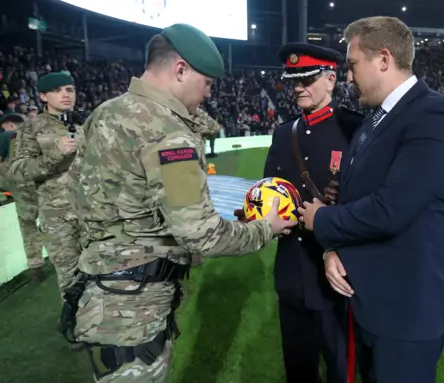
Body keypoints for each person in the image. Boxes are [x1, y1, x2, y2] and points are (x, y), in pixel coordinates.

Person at [61, 23, 296, 382]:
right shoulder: (168, 132)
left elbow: (75, 197)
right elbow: (202, 235)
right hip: (136, 309)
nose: (208, 94)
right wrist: (265, 227)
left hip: (101, 295)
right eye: (207, 83)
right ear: (181, 69)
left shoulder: (105, 113)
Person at [297, 16, 444, 383]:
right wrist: (332, 244)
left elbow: (390, 210)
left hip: (407, 312)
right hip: (369, 306)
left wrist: (321, 221)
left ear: (384, 60)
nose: (347, 77)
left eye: (352, 65)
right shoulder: (372, 121)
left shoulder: (435, 116)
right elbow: (355, 194)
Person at [235, 43, 364, 383]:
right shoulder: (283, 133)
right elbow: (268, 190)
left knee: (341, 369)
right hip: (292, 273)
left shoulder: (354, 128)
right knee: (299, 370)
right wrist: (254, 216)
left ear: (331, 79)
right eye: (293, 80)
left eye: (307, 79)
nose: (298, 88)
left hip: (337, 274)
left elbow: (367, 199)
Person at [8, 72, 83, 295]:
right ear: (42, 96)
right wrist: (54, 154)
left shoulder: (84, 122)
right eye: (57, 91)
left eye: (69, 90)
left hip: (92, 211)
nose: (65, 95)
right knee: (71, 279)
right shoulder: (32, 128)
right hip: (58, 216)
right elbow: (18, 170)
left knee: (102, 272)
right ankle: (76, 327)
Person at [0, 113, 46, 280]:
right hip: (40, 182)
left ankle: (35, 265)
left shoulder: (5, 136)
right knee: (53, 219)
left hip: (19, 187)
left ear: (10, 124)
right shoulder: (36, 133)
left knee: (28, 226)